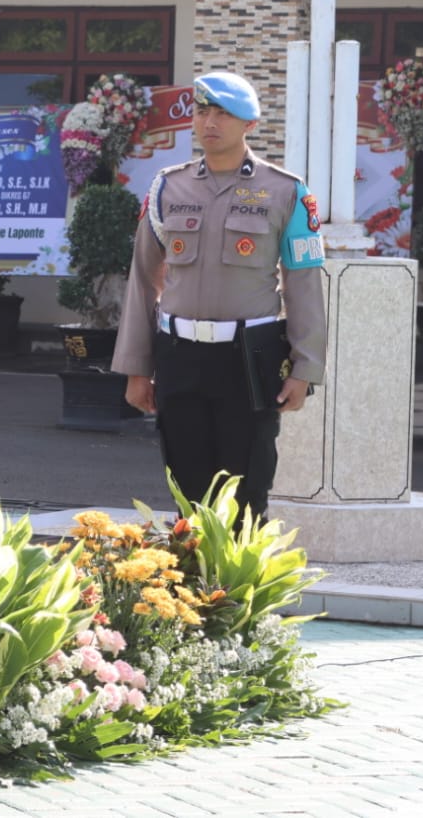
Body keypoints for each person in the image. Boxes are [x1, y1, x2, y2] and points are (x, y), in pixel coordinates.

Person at [111, 71, 326, 521]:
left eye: (224, 114)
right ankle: (192, 591)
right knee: (188, 499)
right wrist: (135, 367)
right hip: (179, 356)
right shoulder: (167, 187)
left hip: (250, 358)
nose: (210, 123)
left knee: (247, 497)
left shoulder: (287, 191)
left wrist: (305, 368)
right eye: (202, 111)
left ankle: (238, 593)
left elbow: (304, 283)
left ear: (249, 123)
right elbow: (143, 279)